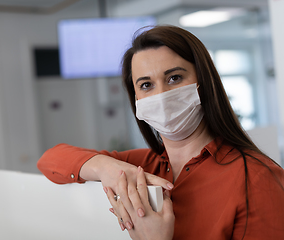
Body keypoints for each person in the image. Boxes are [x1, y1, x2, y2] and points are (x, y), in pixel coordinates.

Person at [37, 25, 284, 240]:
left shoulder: (257, 178)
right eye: (146, 85)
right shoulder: (140, 167)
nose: (161, 95)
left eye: (174, 78)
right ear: (136, 99)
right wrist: (105, 168)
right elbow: (50, 160)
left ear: (203, 83)